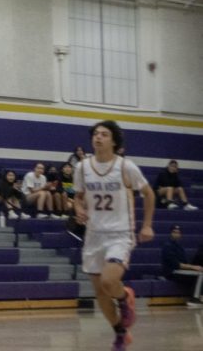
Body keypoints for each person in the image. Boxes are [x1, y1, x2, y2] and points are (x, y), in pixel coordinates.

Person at [73, 120, 155, 351]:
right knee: (100, 292)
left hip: (120, 233)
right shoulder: (82, 168)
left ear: (114, 141)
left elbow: (149, 194)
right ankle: (120, 333)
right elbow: (79, 197)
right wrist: (78, 208)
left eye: (104, 134)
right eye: (96, 134)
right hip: (93, 235)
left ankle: (124, 296)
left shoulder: (126, 167)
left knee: (110, 282)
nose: (98, 137)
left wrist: (147, 225)